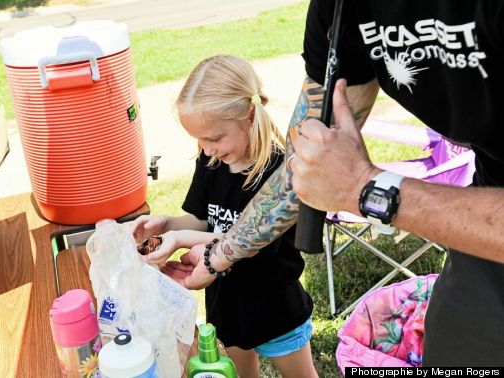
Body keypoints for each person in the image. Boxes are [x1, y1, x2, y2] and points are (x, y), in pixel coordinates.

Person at [164, 1, 504, 367]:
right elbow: (302, 166)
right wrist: (217, 257)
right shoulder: (343, 8)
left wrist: (369, 189)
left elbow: (347, 182)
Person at [130, 55, 318, 377]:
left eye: (214, 138)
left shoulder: (279, 175)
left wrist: (182, 238)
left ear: (248, 114)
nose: (206, 149)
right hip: (226, 304)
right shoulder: (211, 163)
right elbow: (201, 220)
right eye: (199, 140)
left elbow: (255, 243)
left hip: (275, 309)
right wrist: (168, 225)